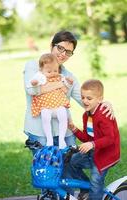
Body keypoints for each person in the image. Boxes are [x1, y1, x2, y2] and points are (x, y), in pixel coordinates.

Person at [23, 31, 114, 199]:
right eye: (60, 48)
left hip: (65, 133)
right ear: (52, 45)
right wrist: (58, 83)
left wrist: (105, 103)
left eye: (68, 52)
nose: (63, 54)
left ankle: (85, 192)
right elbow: (32, 90)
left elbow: (84, 98)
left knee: (68, 176)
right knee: (48, 178)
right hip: (40, 133)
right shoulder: (32, 66)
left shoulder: (69, 76)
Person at [68, 79, 120, 200]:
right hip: (95, 150)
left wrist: (92, 144)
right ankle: (86, 190)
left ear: (99, 99)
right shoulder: (86, 115)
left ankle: (93, 194)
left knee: (96, 182)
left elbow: (110, 138)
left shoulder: (103, 114)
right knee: (72, 162)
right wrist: (74, 129)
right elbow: (87, 138)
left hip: (106, 155)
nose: (85, 101)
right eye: (83, 97)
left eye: (89, 98)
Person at [30, 53, 73, 149]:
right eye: (49, 71)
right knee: (45, 117)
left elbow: (66, 89)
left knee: (63, 116)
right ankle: (49, 139)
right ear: (41, 70)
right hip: (46, 105)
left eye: (55, 70)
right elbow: (34, 83)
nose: (53, 73)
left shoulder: (60, 77)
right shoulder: (41, 76)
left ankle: (62, 139)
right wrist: (34, 82)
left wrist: (69, 83)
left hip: (58, 104)